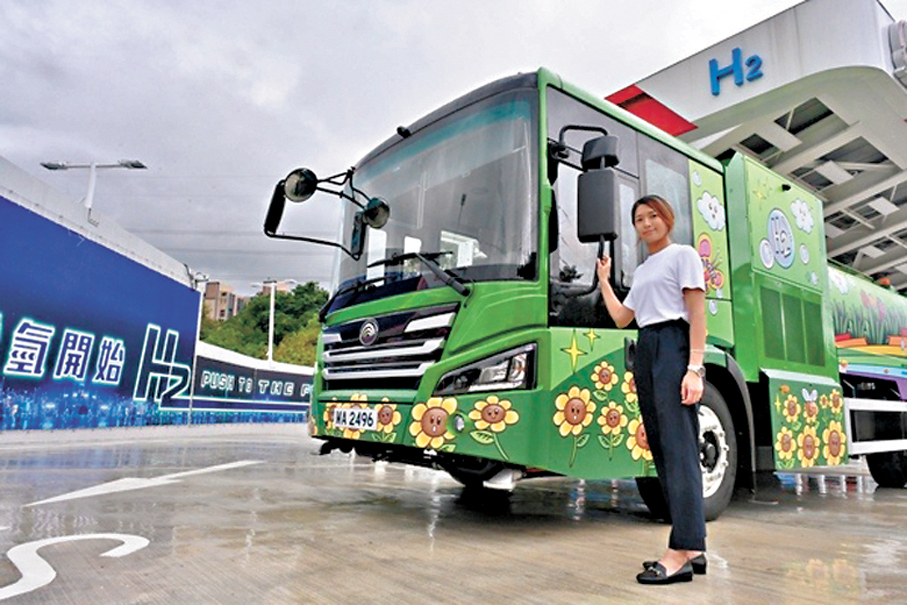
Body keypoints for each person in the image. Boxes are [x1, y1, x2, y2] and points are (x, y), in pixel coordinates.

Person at [595, 194, 707, 585]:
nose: (646, 223)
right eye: (639, 219)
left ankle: (681, 550)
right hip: (646, 349)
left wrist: (694, 369)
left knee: (679, 449)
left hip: (674, 346)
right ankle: (694, 546)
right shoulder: (643, 271)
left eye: (653, 215)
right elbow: (624, 317)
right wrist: (605, 283)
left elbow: (696, 315)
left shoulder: (683, 255)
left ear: (667, 218)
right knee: (663, 449)